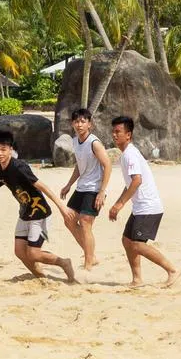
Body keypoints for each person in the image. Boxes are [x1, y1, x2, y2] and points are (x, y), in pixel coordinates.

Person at [0, 130, 77, 282]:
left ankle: (64, 262)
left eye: (3, 149)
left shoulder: (19, 167)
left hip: (40, 214)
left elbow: (43, 187)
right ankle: (41, 276)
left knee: (33, 253)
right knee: (20, 252)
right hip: (25, 214)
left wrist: (62, 207)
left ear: (11, 150)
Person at [108, 116, 181, 288]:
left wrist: (119, 205)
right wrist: (117, 204)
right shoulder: (126, 154)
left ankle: (172, 270)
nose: (114, 135)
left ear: (128, 135)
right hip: (141, 207)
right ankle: (137, 279)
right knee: (127, 241)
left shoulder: (130, 154)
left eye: (118, 131)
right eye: (113, 131)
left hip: (149, 207)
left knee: (137, 245)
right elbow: (130, 184)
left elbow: (137, 181)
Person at [58, 107, 112, 268]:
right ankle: (91, 254)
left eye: (83, 121)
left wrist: (101, 192)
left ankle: (88, 262)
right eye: (76, 121)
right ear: (72, 124)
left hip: (94, 188)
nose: (79, 124)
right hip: (81, 188)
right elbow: (79, 166)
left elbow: (107, 165)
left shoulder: (94, 143)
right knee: (69, 220)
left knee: (85, 223)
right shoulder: (75, 141)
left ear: (90, 124)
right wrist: (69, 184)